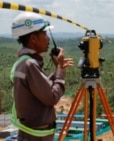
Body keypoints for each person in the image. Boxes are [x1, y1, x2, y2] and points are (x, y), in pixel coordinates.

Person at [10, 12, 74, 141]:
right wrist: (60, 70)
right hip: (35, 137)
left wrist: (58, 70)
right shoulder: (30, 64)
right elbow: (51, 97)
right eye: (44, 34)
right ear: (33, 38)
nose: (48, 38)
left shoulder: (24, 62)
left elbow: (41, 89)